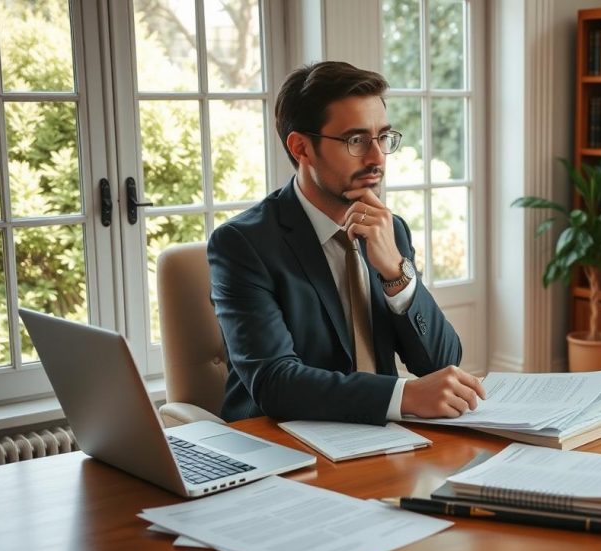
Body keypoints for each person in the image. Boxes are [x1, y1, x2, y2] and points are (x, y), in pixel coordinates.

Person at [208, 61, 485, 424]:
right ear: (301, 148)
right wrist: (404, 395)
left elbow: (442, 361)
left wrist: (395, 272)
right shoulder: (242, 244)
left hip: (380, 441)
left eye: (383, 137)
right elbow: (274, 383)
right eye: (356, 140)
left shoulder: (391, 230)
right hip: (280, 445)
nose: (377, 158)